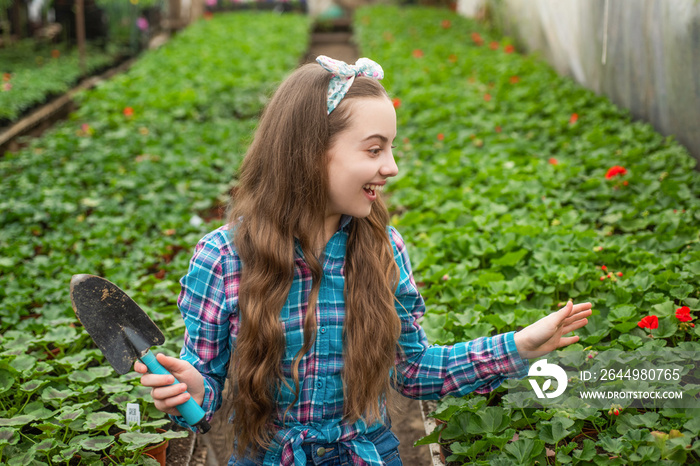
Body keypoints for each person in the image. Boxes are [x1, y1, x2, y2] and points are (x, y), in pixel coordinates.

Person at [134, 55, 592, 465]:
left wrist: (521, 347)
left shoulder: (382, 248)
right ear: (309, 154)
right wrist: (190, 392)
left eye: (390, 148)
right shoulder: (223, 258)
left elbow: (414, 371)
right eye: (374, 149)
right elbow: (204, 395)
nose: (391, 167)